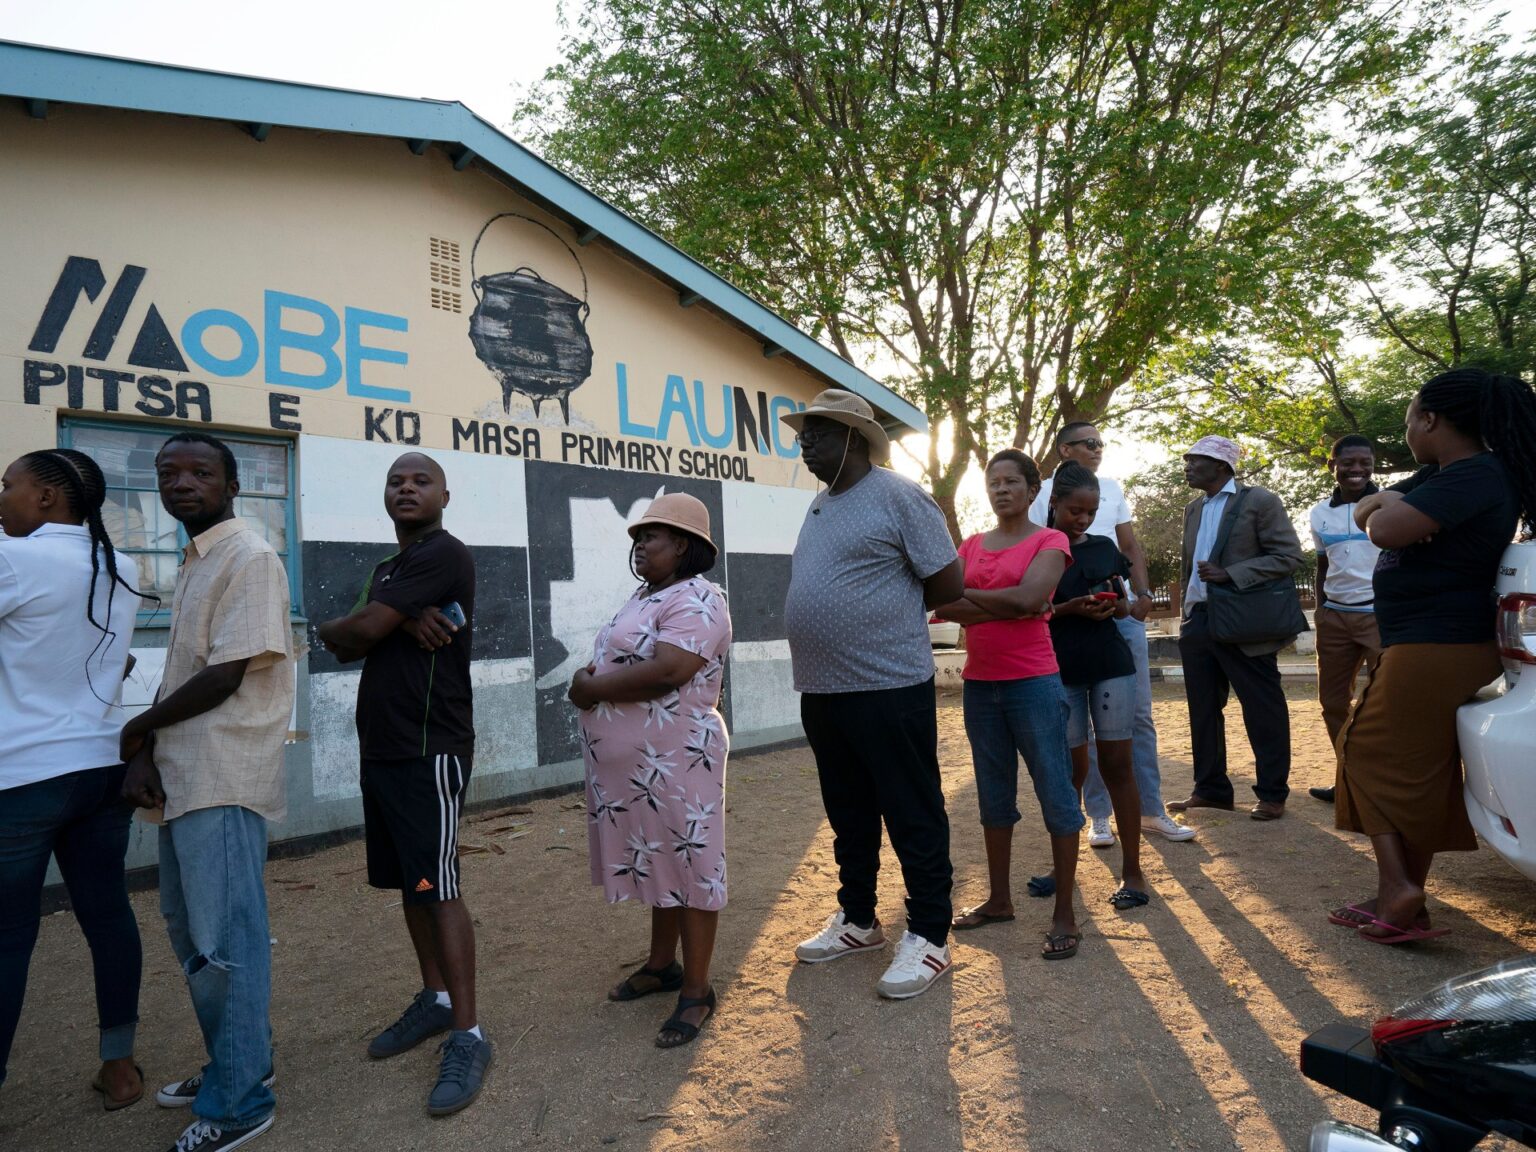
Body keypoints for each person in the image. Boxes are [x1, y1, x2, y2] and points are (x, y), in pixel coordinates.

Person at [119, 431, 294, 1152]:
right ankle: (236, 1062)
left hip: (222, 773)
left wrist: (136, 730)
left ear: (232, 485)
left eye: (200, 472)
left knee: (227, 944)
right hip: (187, 773)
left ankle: (240, 1104)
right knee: (193, 934)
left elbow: (225, 675)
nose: (182, 483)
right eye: (169, 473)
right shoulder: (199, 559)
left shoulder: (247, 556)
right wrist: (150, 745)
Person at [1333, 368, 1536, 944]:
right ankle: (1402, 895)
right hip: (1431, 643)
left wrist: (1386, 508)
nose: (1407, 432)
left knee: (1365, 753)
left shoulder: (1476, 476)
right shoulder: (1447, 476)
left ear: (1430, 420)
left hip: (1435, 644)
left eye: (1409, 421)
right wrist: (1385, 505)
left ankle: (1399, 890)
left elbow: (1383, 528)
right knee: (1415, 769)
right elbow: (1371, 512)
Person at [316, 453, 492, 1114]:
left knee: (438, 887)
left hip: (429, 749)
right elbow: (344, 640)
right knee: (412, 885)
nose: (407, 488)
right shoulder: (389, 570)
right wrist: (389, 623)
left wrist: (374, 626)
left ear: (445, 492)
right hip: (384, 749)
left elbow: (357, 629)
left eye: (421, 480)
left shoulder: (442, 554)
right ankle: (437, 998)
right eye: (396, 481)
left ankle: (470, 1033)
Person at [782, 389, 965, 1000]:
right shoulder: (819, 506)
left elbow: (946, 581)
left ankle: (931, 935)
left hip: (888, 685)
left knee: (911, 808)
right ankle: (859, 920)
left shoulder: (899, 495)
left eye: (818, 436)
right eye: (803, 437)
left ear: (855, 439)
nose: (805, 445)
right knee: (848, 810)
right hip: (824, 689)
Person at [1, 449, 146, 1109]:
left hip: (24, 775)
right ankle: (119, 1068)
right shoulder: (122, 565)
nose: (1, 496)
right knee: (108, 913)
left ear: (47, 499)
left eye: (9, 486)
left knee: (8, 935)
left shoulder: (14, 560)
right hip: (102, 768)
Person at [567, 492, 733, 1046]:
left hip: (679, 758)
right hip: (637, 769)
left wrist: (589, 688)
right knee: (660, 861)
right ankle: (663, 966)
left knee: (690, 862)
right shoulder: (644, 596)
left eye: (651, 537)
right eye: (637, 538)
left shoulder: (701, 597)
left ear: (682, 546)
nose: (639, 546)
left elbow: (670, 669)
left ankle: (698, 991)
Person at [936, 450, 1084, 959]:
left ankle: (1064, 911)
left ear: (1032, 489)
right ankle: (999, 900)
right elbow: (945, 605)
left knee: (1056, 796)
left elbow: (1031, 599)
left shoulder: (1051, 539)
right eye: (993, 482)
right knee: (993, 799)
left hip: (1034, 684)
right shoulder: (972, 544)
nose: (1001, 490)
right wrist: (1015, 601)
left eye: (1011, 481)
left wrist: (986, 598)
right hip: (981, 687)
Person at [1029, 422, 1194, 845]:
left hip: (1117, 610)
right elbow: (1035, 551)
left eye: (1102, 443)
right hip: (1065, 621)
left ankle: (1151, 810)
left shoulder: (1113, 488)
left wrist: (1141, 594)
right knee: (1079, 730)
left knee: (1136, 715)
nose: (1098, 449)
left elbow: (1130, 546)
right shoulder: (1040, 493)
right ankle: (1099, 816)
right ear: (1065, 449)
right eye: (1090, 443)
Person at [1168, 435, 1304, 821]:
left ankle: (1272, 794)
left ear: (1222, 466)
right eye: (1187, 459)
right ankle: (1211, 790)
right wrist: (1186, 615)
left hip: (1245, 623)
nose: (1188, 466)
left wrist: (1232, 573)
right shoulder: (1193, 509)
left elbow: (1289, 555)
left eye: (1196, 460)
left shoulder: (1259, 501)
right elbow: (1188, 567)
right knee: (1203, 709)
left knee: (1263, 708)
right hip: (1199, 621)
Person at [1045, 464, 1150, 910]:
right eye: (1074, 511)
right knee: (1069, 773)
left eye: (1090, 512)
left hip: (1110, 663)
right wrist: (1070, 608)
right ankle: (1061, 869)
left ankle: (1133, 871)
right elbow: (1032, 610)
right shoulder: (1038, 548)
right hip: (1059, 668)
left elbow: (1124, 601)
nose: (1082, 520)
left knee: (1118, 765)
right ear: (1053, 505)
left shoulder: (1106, 547)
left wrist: (1119, 606)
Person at [1306, 436, 1382, 804]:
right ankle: (1349, 781)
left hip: (1379, 617)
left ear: (1372, 464)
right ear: (1331, 465)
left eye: (1364, 462)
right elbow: (1323, 564)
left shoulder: (1390, 506)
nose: (1357, 469)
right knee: (1333, 703)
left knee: (1384, 702)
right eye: (1347, 462)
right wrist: (1321, 609)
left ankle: (1382, 784)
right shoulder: (1319, 513)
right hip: (1335, 618)